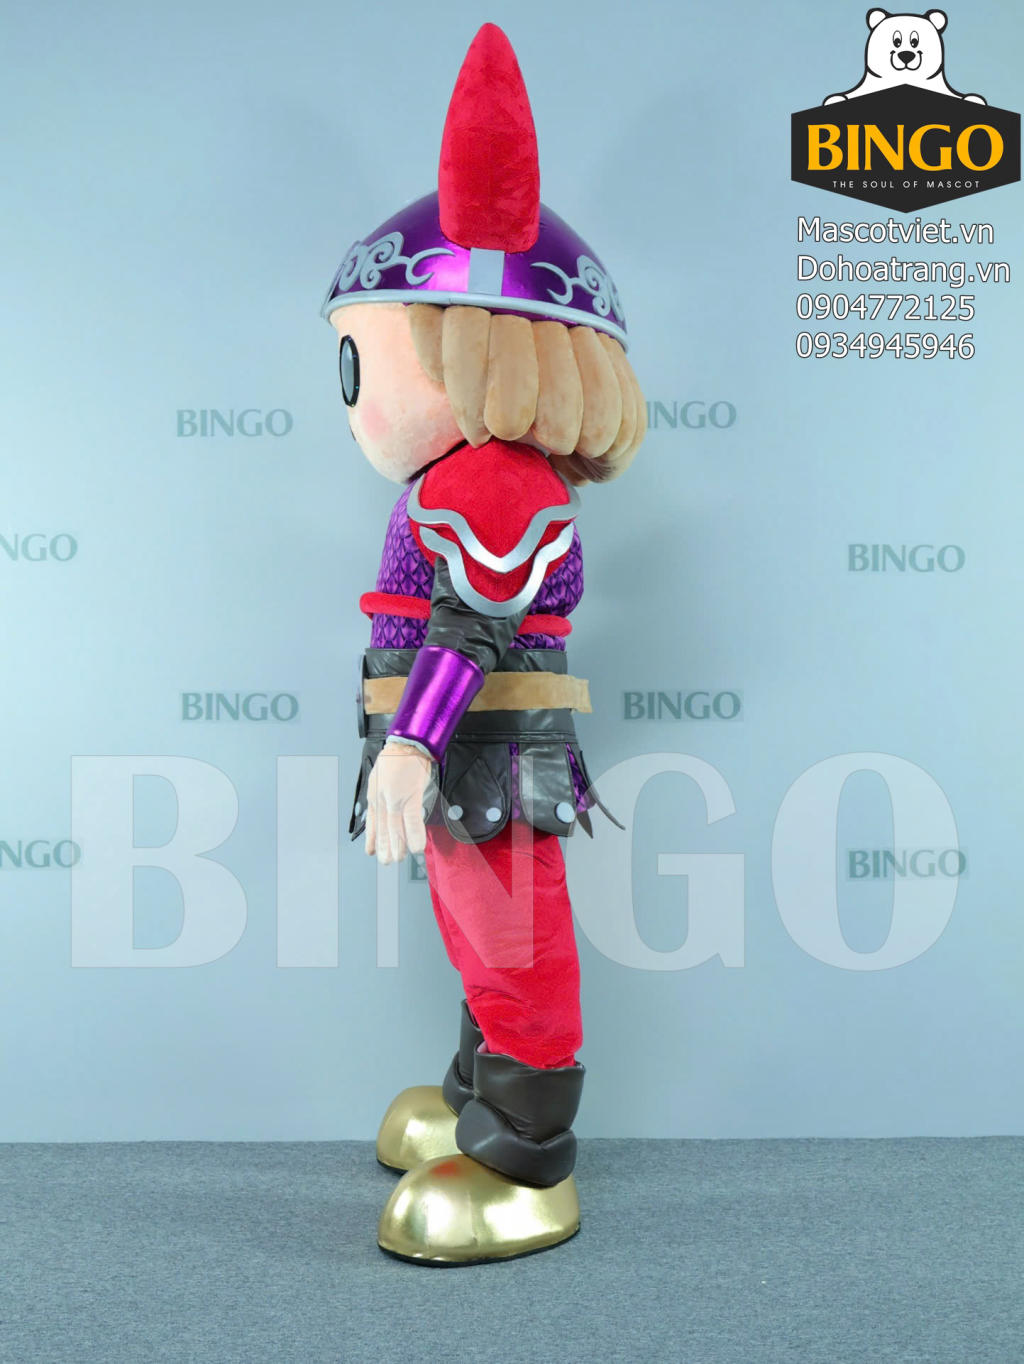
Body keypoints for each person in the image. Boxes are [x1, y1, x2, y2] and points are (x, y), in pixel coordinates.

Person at [323, 22, 645, 1264]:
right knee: (476, 921)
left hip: (486, 739)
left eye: (363, 358)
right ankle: (478, 1098)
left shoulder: (496, 481)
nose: (354, 397)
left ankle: (526, 1151)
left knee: (511, 928)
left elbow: (470, 621)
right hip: (460, 741)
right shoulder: (458, 474)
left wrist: (412, 743)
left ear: (471, 346)